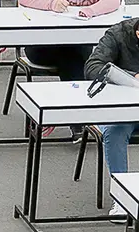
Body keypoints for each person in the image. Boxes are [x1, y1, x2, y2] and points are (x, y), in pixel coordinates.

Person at [19, 0, 116, 142]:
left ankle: (78, 119)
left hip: (79, 39)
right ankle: (82, 119)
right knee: (71, 56)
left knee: (75, 53)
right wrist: (51, 4)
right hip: (42, 42)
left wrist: (90, 10)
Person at [85, 17, 139, 218]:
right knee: (115, 130)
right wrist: (131, 76)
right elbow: (92, 67)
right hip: (120, 109)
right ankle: (122, 198)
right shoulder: (117, 35)